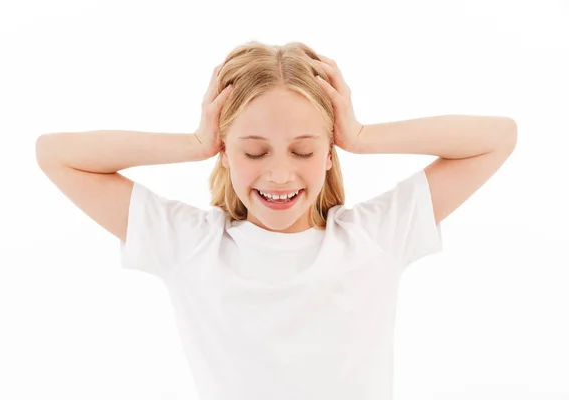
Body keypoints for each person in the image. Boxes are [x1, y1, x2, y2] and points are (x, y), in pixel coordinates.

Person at [36, 41, 517, 400]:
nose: (280, 172)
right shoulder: (191, 244)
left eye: (303, 150)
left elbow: (498, 137)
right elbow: (56, 154)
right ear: (225, 153)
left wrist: (362, 134)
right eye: (253, 150)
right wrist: (194, 143)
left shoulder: (375, 236)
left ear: (329, 153)